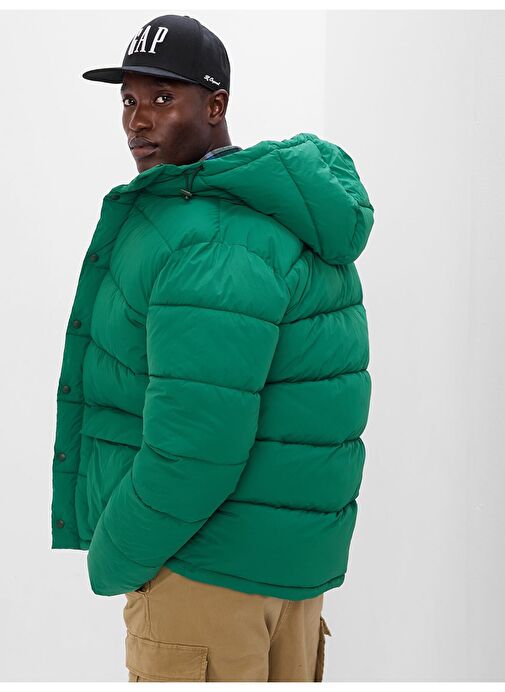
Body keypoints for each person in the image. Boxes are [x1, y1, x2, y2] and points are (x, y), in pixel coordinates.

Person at [50, 13, 375, 683]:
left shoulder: (209, 237)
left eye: (163, 97)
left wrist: (114, 557)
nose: (139, 120)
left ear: (215, 105)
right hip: (287, 581)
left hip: (204, 579)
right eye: (128, 100)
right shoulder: (283, 217)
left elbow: (196, 443)